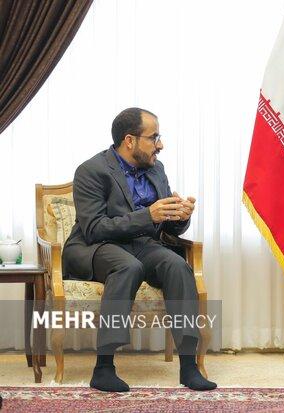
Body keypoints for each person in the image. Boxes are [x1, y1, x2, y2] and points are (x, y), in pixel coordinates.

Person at [62, 107, 216, 392]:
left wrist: (179, 216)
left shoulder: (156, 169)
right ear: (129, 140)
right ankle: (103, 368)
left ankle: (189, 367)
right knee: (127, 266)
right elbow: (94, 227)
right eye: (154, 137)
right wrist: (149, 215)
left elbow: (167, 227)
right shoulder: (91, 171)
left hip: (140, 244)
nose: (161, 144)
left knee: (177, 266)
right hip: (95, 246)